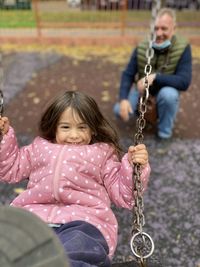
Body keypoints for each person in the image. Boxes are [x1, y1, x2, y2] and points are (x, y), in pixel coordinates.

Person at [0, 90, 150, 267]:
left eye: (82, 127)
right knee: (10, 248)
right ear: (54, 126)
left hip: (83, 221)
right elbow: (10, 169)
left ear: (93, 129)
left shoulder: (102, 154)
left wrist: (134, 167)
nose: (74, 135)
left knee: (78, 250)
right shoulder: (39, 148)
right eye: (65, 127)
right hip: (34, 217)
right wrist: (4, 137)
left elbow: (124, 195)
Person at [113, 7, 192, 141]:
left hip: (165, 92)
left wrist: (155, 77)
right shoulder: (143, 47)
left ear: (174, 28)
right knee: (118, 110)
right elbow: (128, 74)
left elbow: (184, 81)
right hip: (142, 92)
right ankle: (144, 112)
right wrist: (123, 99)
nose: (159, 33)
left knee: (169, 96)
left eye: (164, 28)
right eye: (156, 28)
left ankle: (164, 133)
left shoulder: (183, 47)